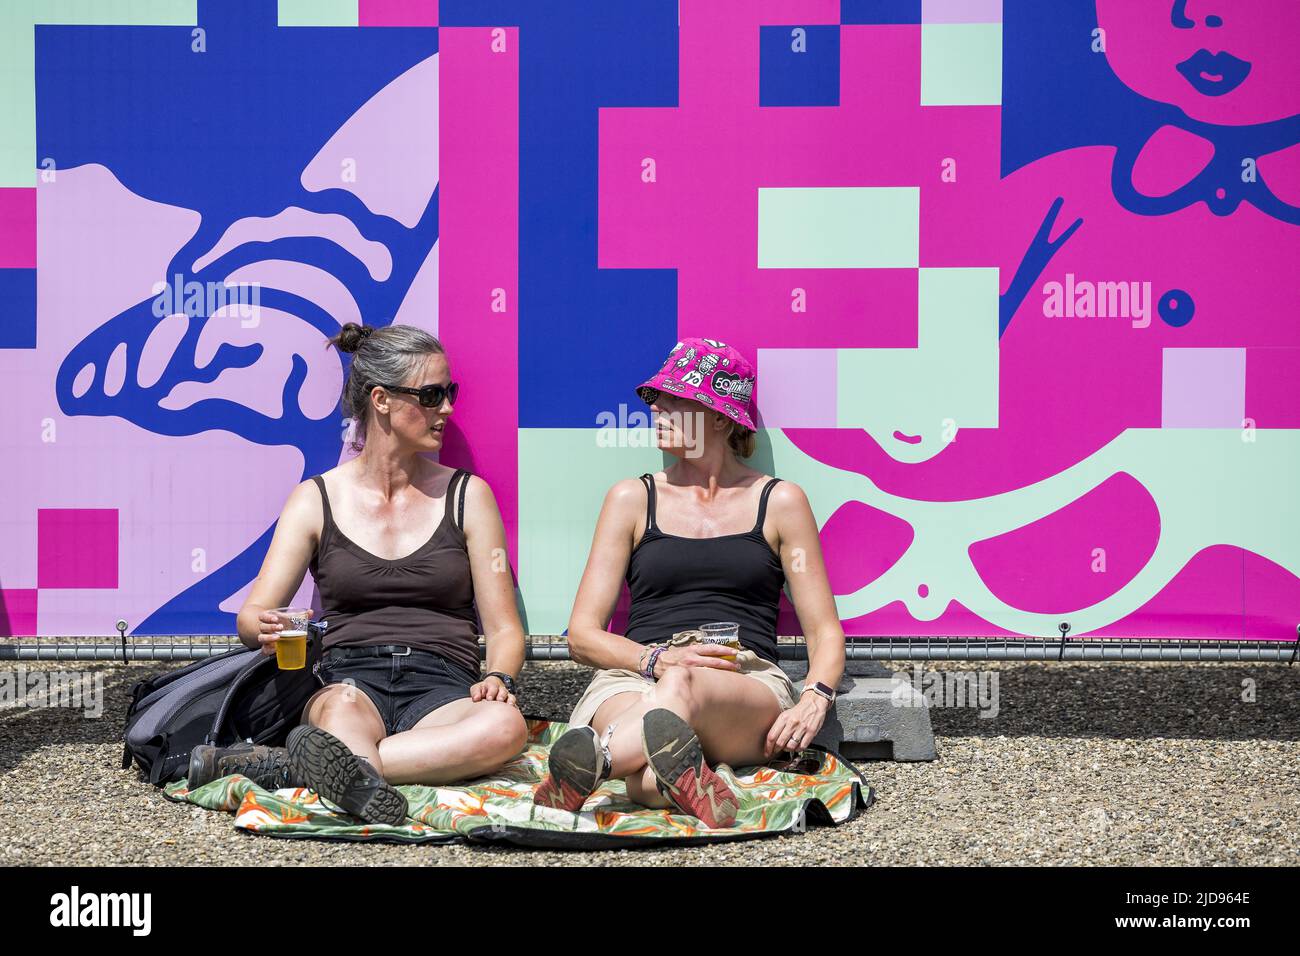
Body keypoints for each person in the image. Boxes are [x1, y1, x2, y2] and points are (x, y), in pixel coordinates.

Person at [187, 322, 528, 826]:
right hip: (348, 678)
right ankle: (356, 765)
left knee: (506, 727)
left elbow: (503, 628)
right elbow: (252, 614)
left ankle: (298, 766)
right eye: (432, 395)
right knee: (339, 710)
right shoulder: (316, 498)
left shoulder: (467, 496)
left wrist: (499, 675)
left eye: (449, 392)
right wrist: (262, 626)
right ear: (382, 400)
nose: (448, 410)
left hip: (443, 686)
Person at [534, 338, 847, 828]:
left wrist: (816, 698)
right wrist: (658, 658)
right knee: (652, 765)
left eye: (675, 399)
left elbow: (824, 630)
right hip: (635, 674)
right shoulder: (631, 499)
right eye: (657, 398)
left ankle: (594, 766)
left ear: (720, 419)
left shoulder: (780, 501)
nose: (656, 407)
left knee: (679, 686)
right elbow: (582, 635)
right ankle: (676, 778)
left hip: (743, 679)